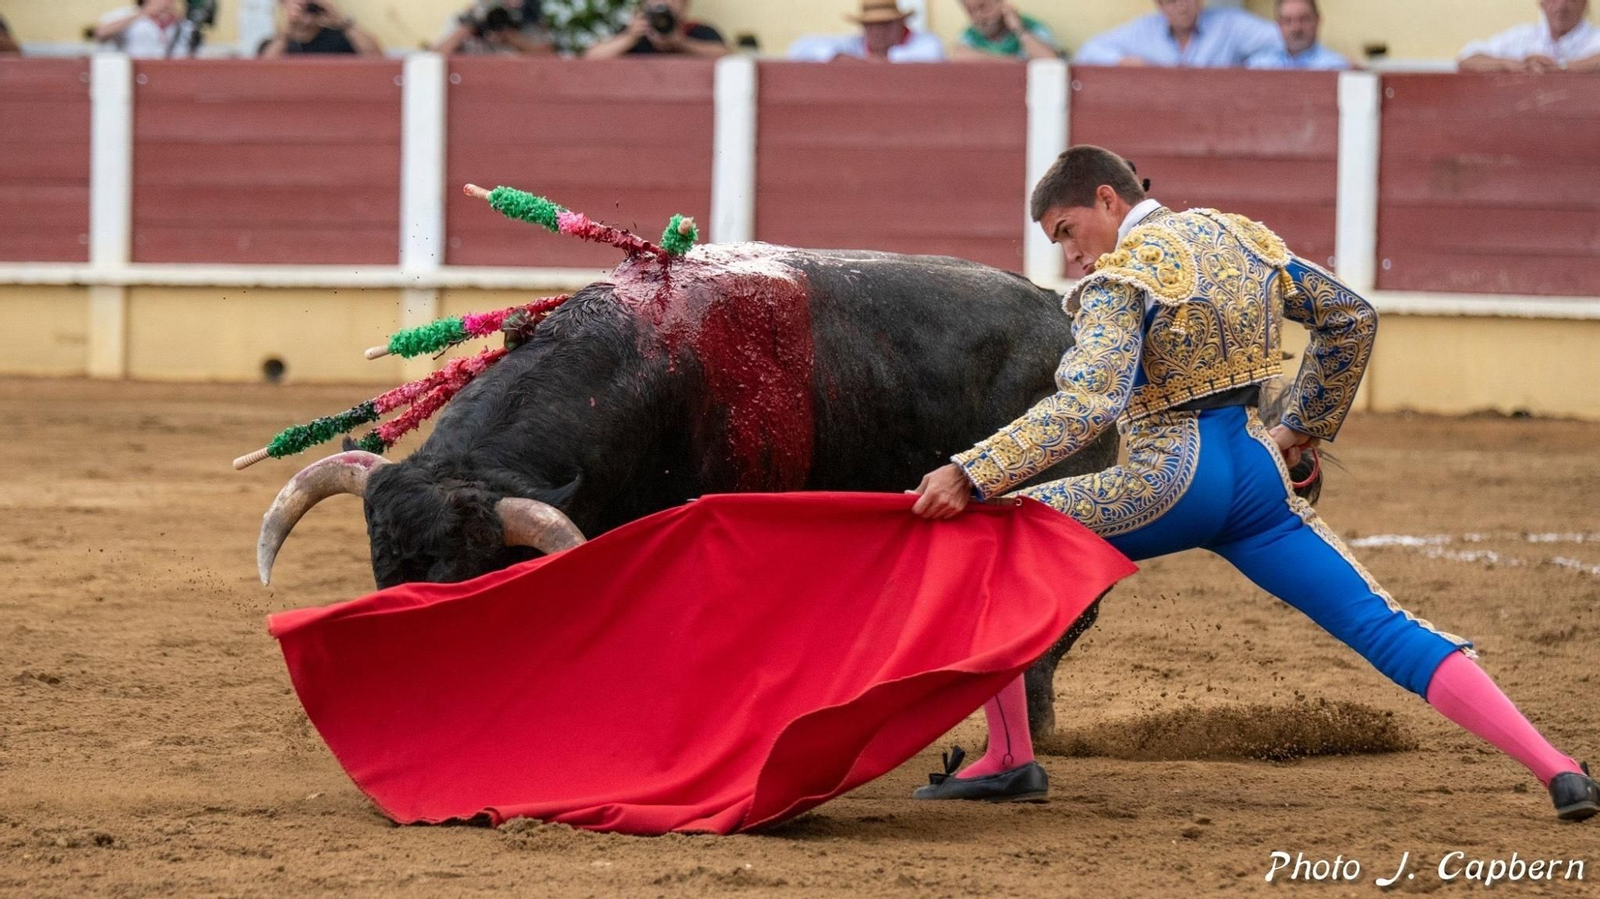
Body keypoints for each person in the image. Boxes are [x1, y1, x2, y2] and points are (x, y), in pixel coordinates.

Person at [906, 145, 1600, 822]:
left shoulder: (1122, 275)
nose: (1071, 256)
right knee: (1383, 624)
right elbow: (1350, 317)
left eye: (1067, 231)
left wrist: (974, 470)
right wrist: (1302, 424)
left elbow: (1088, 405)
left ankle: (1008, 756)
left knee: (987, 528)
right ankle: (1558, 768)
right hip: (1257, 475)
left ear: (1106, 199)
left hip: (1168, 478)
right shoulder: (1243, 238)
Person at [1075, 0, 1280, 67]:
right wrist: (1121, 61)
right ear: (1160, 5)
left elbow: (1282, 40)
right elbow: (1088, 51)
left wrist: (1256, 64)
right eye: (1172, 0)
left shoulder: (1229, 24)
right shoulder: (1145, 30)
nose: (1182, 7)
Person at [1458, 0, 1600, 72]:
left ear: (1585, 4)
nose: (1561, 6)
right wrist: (1514, 64)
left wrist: (1562, 67)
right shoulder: (1522, 36)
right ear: (1542, 4)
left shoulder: (1596, 37)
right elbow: (1466, 58)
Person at [785, 0, 945, 63]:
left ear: (900, 22)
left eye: (885, 23)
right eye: (871, 25)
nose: (878, 31)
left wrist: (864, 62)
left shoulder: (926, 42)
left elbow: (931, 56)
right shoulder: (856, 44)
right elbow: (798, 48)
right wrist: (838, 56)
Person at [583, 0, 728, 58]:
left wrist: (681, 43)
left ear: (685, 7)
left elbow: (729, 58)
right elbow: (591, 57)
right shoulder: (634, 33)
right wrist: (629, 38)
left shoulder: (698, 31)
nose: (663, 2)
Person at [1247, 0, 1349, 70]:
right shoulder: (1259, 65)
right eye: (1288, 21)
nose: (1296, 28)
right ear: (1278, 24)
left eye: (1303, 19)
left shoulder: (1334, 66)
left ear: (1317, 21)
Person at [259, 0, 383, 57]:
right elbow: (264, 73)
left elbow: (376, 58)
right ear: (283, 3)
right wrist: (288, 31)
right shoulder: (274, 43)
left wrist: (341, 21)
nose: (304, 3)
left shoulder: (341, 39)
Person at [952, 0, 1062, 61]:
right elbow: (960, 56)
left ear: (1001, 3)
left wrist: (1019, 29)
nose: (979, 16)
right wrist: (1016, 63)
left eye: (983, 7)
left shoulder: (1032, 27)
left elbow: (1050, 61)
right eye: (971, 11)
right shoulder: (970, 34)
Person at [431, 1, 549, 56]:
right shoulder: (466, 19)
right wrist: (470, 27)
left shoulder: (523, 20)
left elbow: (550, 55)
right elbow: (434, 57)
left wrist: (511, 38)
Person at [94, 0, 199, 58]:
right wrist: (144, 13)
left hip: (171, 77)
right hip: (134, 76)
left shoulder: (184, 24)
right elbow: (100, 33)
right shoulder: (127, 14)